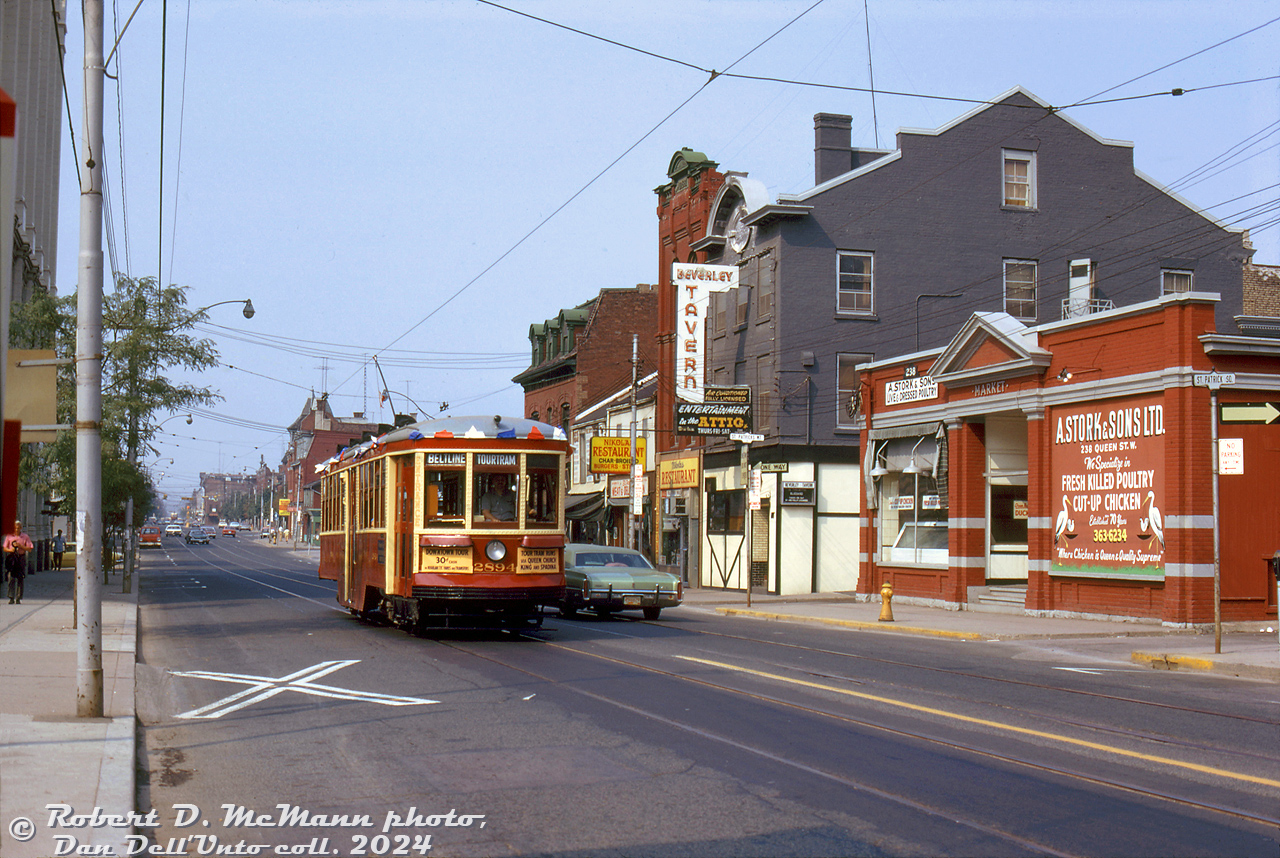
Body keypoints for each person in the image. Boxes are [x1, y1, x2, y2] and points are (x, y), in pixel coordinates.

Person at [4, 521, 34, 604]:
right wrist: (11, 550)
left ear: (20, 528)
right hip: (12, 558)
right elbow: (5, 548)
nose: (16, 530)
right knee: (11, 577)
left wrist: (21, 546)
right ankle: (11, 597)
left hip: (20, 558)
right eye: (15, 528)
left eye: (18, 528)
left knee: (20, 577)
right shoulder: (9, 536)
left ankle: (18, 597)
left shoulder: (25, 537)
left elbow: (30, 548)